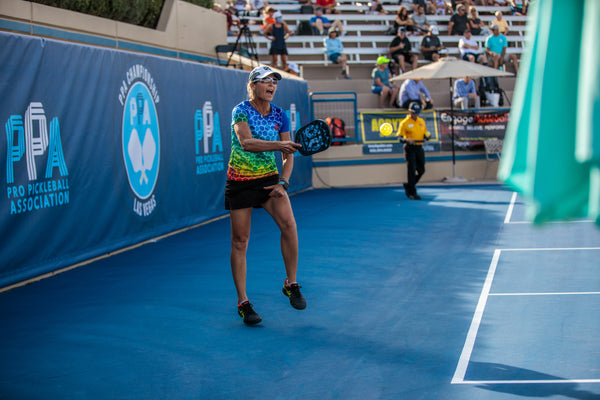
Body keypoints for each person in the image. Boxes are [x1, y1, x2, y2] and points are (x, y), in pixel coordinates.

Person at [226, 66, 306, 325]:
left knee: (290, 225)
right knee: (240, 241)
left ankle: (291, 283)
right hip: (240, 180)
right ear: (253, 86)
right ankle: (243, 302)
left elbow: (288, 155)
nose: (272, 86)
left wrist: (283, 182)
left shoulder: (280, 115)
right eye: (266, 81)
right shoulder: (241, 111)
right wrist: (279, 145)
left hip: (269, 181)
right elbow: (247, 143)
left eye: (275, 82)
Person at [396, 102, 429, 200]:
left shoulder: (421, 121)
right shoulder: (404, 123)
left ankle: (409, 185)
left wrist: (428, 135)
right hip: (410, 148)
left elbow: (425, 132)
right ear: (409, 111)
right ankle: (412, 192)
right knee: (411, 169)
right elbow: (399, 138)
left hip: (419, 147)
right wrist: (407, 140)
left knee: (421, 169)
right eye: (414, 113)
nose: (416, 115)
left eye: (418, 113)